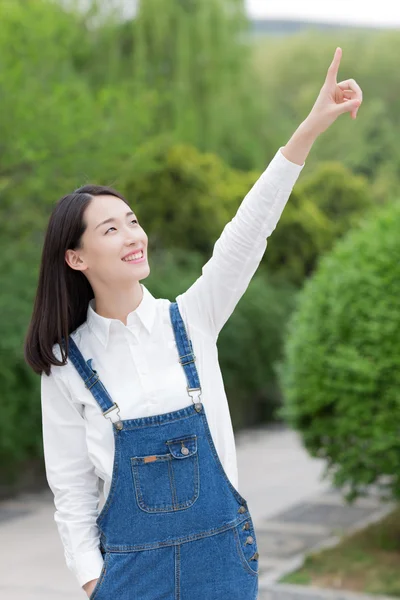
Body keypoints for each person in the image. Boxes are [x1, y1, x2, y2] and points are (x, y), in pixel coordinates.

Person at [24, 47, 362, 599]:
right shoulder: (66, 366)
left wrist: (308, 130)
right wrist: (94, 582)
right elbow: (72, 494)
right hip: (130, 580)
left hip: (222, 568)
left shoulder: (194, 319)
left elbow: (248, 232)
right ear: (76, 257)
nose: (134, 236)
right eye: (110, 230)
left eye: (132, 221)